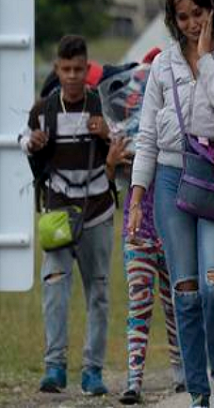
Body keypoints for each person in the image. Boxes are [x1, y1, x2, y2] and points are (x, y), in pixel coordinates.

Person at [129, 0, 214, 408]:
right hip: (168, 180)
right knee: (185, 290)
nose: (191, 24)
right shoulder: (161, 64)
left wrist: (206, 59)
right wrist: (138, 198)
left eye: (198, 13)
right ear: (172, 19)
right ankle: (199, 393)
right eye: (182, 17)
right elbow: (146, 135)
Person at [21, 35, 115, 396]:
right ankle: (54, 367)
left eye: (79, 69)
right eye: (66, 69)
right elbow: (26, 146)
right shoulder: (43, 110)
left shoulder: (101, 104)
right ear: (57, 69)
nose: (73, 76)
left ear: (87, 68)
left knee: (99, 292)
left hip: (98, 211)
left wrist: (107, 133)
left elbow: (126, 144)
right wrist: (33, 146)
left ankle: (92, 371)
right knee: (55, 289)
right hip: (58, 212)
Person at [100, 54, 185, 405]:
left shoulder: (180, 120)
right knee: (140, 304)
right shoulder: (127, 128)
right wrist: (113, 161)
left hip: (173, 228)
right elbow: (114, 183)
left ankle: (184, 375)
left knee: (176, 304)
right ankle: (134, 380)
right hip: (138, 228)